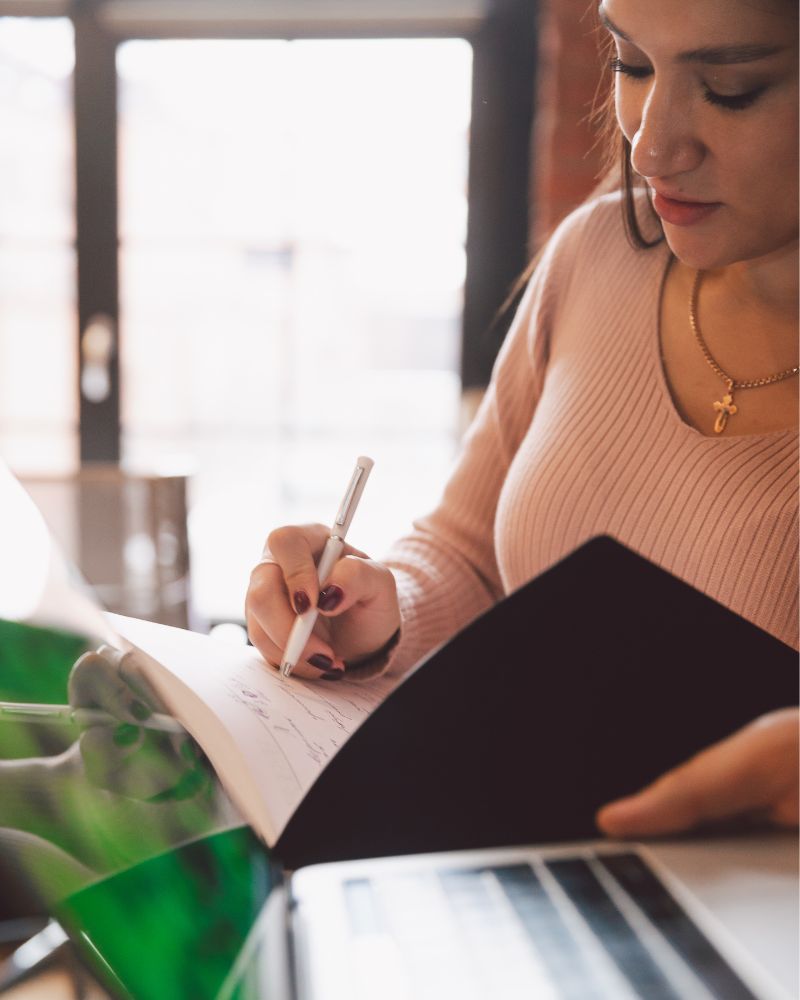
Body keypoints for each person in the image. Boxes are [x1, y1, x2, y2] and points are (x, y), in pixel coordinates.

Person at [245, 0, 799, 838]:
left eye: (731, 89)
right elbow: (469, 553)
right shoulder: (600, 251)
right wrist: (375, 613)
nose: (651, 146)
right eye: (633, 66)